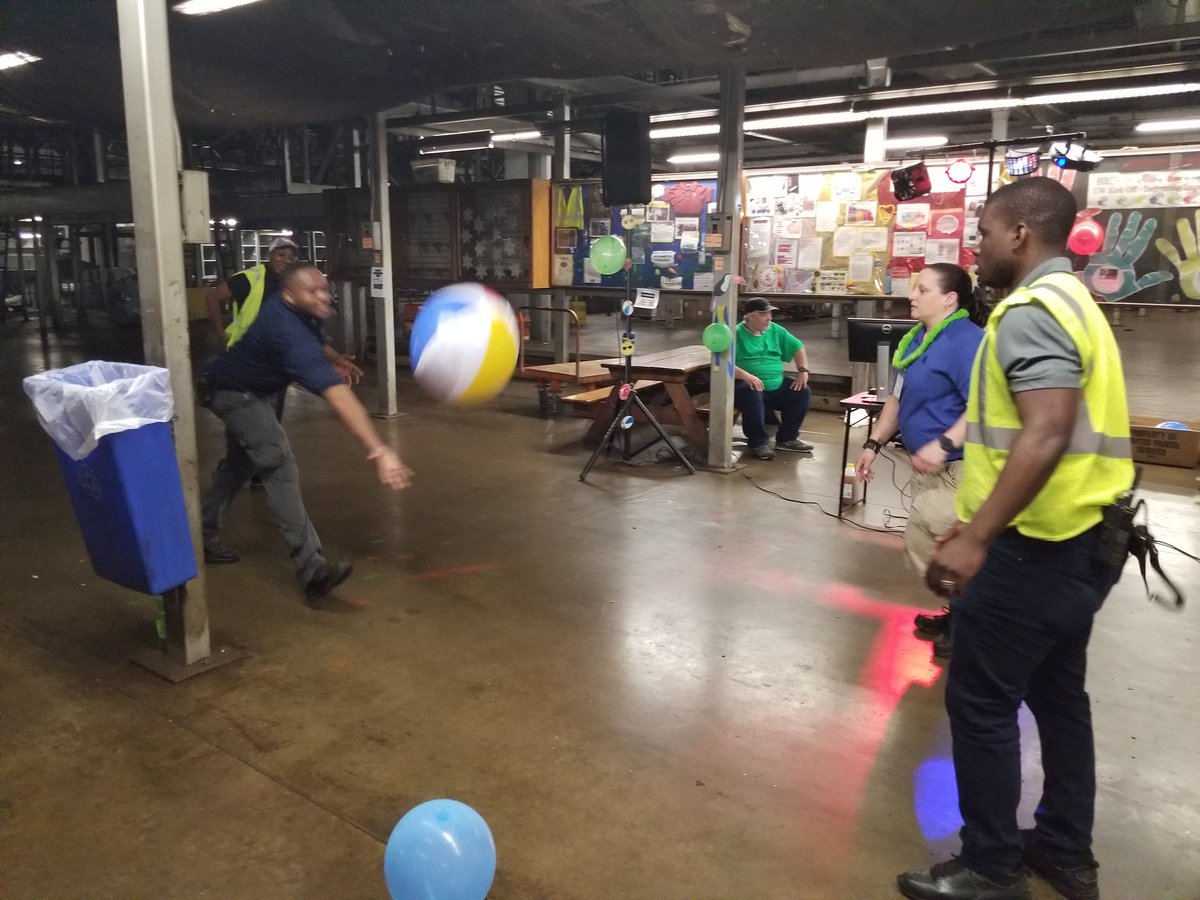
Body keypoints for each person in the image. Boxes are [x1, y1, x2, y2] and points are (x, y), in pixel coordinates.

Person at [897, 177, 1134, 900]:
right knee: (1061, 699)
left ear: (1022, 235)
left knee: (981, 703)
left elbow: (1048, 429)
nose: (979, 245)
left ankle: (991, 867)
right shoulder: (1077, 302)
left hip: (1034, 549)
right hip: (1086, 539)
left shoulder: (1030, 310)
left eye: (986, 232)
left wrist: (976, 537)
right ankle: (1063, 848)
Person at [199, 261, 413, 602]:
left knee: (241, 464)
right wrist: (379, 449)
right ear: (289, 294)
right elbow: (338, 396)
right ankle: (311, 569)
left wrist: (334, 358)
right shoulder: (286, 330)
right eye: (312, 291)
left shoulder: (297, 311)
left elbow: (314, 341)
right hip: (234, 393)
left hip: (254, 388)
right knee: (278, 464)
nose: (323, 296)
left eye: (325, 288)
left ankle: (201, 534)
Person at [854, 264, 985, 660]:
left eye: (922, 290)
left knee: (953, 549)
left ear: (950, 299)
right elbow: (897, 399)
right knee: (925, 546)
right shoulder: (915, 340)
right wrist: (873, 444)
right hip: (926, 467)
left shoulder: (967, 342)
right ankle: (958, 613)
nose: (912, 296)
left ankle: (972, 628)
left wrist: (944, 444)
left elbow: (984, 404)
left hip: (960, 467)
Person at [206, 235, 361, 485]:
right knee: (246, 430)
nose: (285, 260)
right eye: (281, 254)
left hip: (274, 367)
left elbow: (309, 335)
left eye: (291, 257)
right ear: (270, 256)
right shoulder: (251, 279)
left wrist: (334, 356)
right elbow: (213, 297)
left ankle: (254, 474)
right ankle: (241, 472)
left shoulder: (292, 289)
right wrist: (220, 334)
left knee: (269, 424)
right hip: (243, 366)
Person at [733, 297, 813, 460]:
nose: (769, 318)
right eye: (763, 314)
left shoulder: (776, 330)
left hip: (775, 383)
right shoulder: (735, 334)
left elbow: (798, 347)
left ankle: (787, 438)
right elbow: (722, 361)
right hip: (747, 384)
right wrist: (746, 375)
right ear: (749, 316)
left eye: (770, 313)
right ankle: (758, 442)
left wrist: (803, 370)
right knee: (751, 391)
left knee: (801, 390)